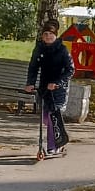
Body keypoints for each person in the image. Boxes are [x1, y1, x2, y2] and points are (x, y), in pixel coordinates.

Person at [24, 19, 74, 160]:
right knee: (46, 118)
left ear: (55, 35)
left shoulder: (62, 50)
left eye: (50, 34)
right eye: (45, 34)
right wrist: (30, 83)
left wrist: (57, 83)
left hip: (59, 89)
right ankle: (61, 137)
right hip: (44, 88)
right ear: (42, 36)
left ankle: (53, 146)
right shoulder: (39, 49)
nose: (48, 37)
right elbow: (33, 67)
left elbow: (71, 70)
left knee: (52, 117)